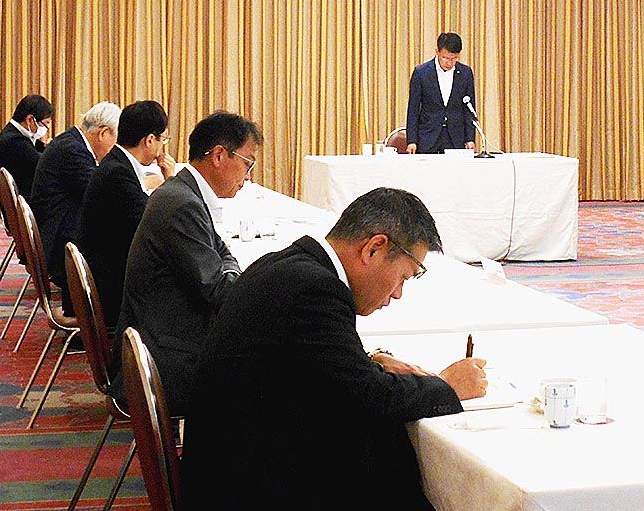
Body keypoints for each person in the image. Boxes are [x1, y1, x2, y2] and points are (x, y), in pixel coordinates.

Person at [183, 187, 487, 510]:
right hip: (248, 489)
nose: (398, 293)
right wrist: (447, 385)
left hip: (232, 465)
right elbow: (370, 397)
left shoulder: (286, 265)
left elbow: (314, 366)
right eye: (403, 277)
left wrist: (369, 363)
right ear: (374, 248)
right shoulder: (315, 288)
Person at [110, 111, 261, 415]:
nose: (248, 177)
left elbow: (223, 252)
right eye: (248, 164)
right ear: (219, 156)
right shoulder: (182, 204)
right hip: (167, 360)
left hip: (162, 339)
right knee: (275, 376)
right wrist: (232, 271)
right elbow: (220, 291)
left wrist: (228, 267)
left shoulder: (182, 192)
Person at [76, 101, 176, 331]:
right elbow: (154, 223)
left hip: (108, 269)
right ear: (149, 140)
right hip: (112, 287)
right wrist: (171, 181)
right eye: (162, 140)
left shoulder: (117, 163)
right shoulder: (117, 173)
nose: (162, 147)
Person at [30, 102, 120, 315]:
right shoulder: (72, 150)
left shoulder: (72, 141)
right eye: (116, 140)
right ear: (103, 133)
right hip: (59, 245)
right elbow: (100, 195)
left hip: (57, 229)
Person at [406, 32, 477, 154]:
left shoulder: (465, 73)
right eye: (445, 58)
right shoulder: (421, 73)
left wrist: (470, 138)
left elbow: (469, 109)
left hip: (455, 138)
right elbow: (413, 109)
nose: (449, 63)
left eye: (453, 58)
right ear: (437, 52)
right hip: (428, 137)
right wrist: (412, 140)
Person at [0, 94, 54, 197]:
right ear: (30, 119)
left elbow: (36, 149)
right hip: (27, 198)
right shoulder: (15, 141)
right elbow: (43, 164)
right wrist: (54, 151)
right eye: (46, 123)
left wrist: (49, 148)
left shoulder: (13, 132)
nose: (47, 128)